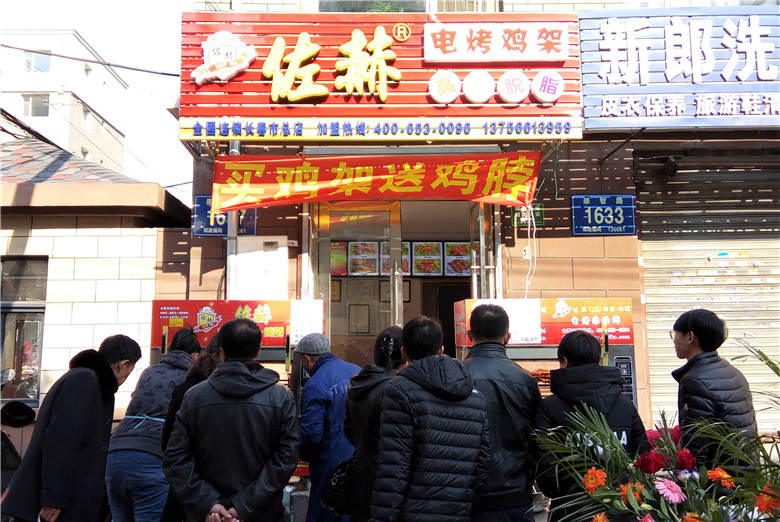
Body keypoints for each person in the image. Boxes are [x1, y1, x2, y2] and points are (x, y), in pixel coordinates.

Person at [164, 319, 298, 522]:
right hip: (261, 512)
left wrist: (209, 502)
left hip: (208, 514)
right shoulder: (281, 397)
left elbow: (175, 457)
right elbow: (286, 460)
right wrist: (244, 505)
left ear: (221, 352)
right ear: (258, 351)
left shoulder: (194, 396)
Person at [2, 335, 141, 522]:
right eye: (127, 373)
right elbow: (61, 441)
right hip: (63, 503)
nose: (124, 379)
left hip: (68, 498)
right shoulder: (84, 381)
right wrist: (53, 498)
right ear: (122, 364)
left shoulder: (86, 379)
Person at [369, 316, 492, 522]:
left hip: (412, 512)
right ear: (441, 350)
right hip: (458, 511)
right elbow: (484, 464)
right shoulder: (475, 396)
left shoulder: (399, 390)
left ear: (404, 353)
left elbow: (394, 467)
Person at [534, 330, 649, 522]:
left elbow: (545, 470)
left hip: (569, 513)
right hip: (620, 512)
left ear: (564, 361)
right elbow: (642, 459)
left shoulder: (550, 407)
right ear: (598, 360)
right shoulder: (624, 404)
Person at [105, 328, 200, 522]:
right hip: (151, 456)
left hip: (115, 452)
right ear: (196, 355)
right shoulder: (191, 379)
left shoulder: (150, 371)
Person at [463, 304, 541, 522]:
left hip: (469, 495)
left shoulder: (457, 377)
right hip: (516, 494)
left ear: (469, 336)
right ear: (507, 337)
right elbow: (537, 438)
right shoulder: (525, 380)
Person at [670, 309, 756, 467]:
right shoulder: (732, 371)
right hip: (744, 471)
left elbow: (696, 446)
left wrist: (693, 478)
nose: (674, 341)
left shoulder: (694, 380)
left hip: (720, 476)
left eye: (675, 334)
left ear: (690, 337)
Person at [296, 333, 360, 522]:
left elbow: (311, 434)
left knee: (326, 511)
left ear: (307, 359)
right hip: (358, 459)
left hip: (329, 465)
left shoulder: (315, 384)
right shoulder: (356, 371)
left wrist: (302, 455)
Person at [344, 326, 404, 522]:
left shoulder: (358, 384)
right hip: (389, 482)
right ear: (404, 353)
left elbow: (348, 431)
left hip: (361, 476)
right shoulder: (398, 389)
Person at [159, 336, 221, 522]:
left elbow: (169, 446)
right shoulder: (251, 396)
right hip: (224, 497)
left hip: (188, 492)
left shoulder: (185, 388)